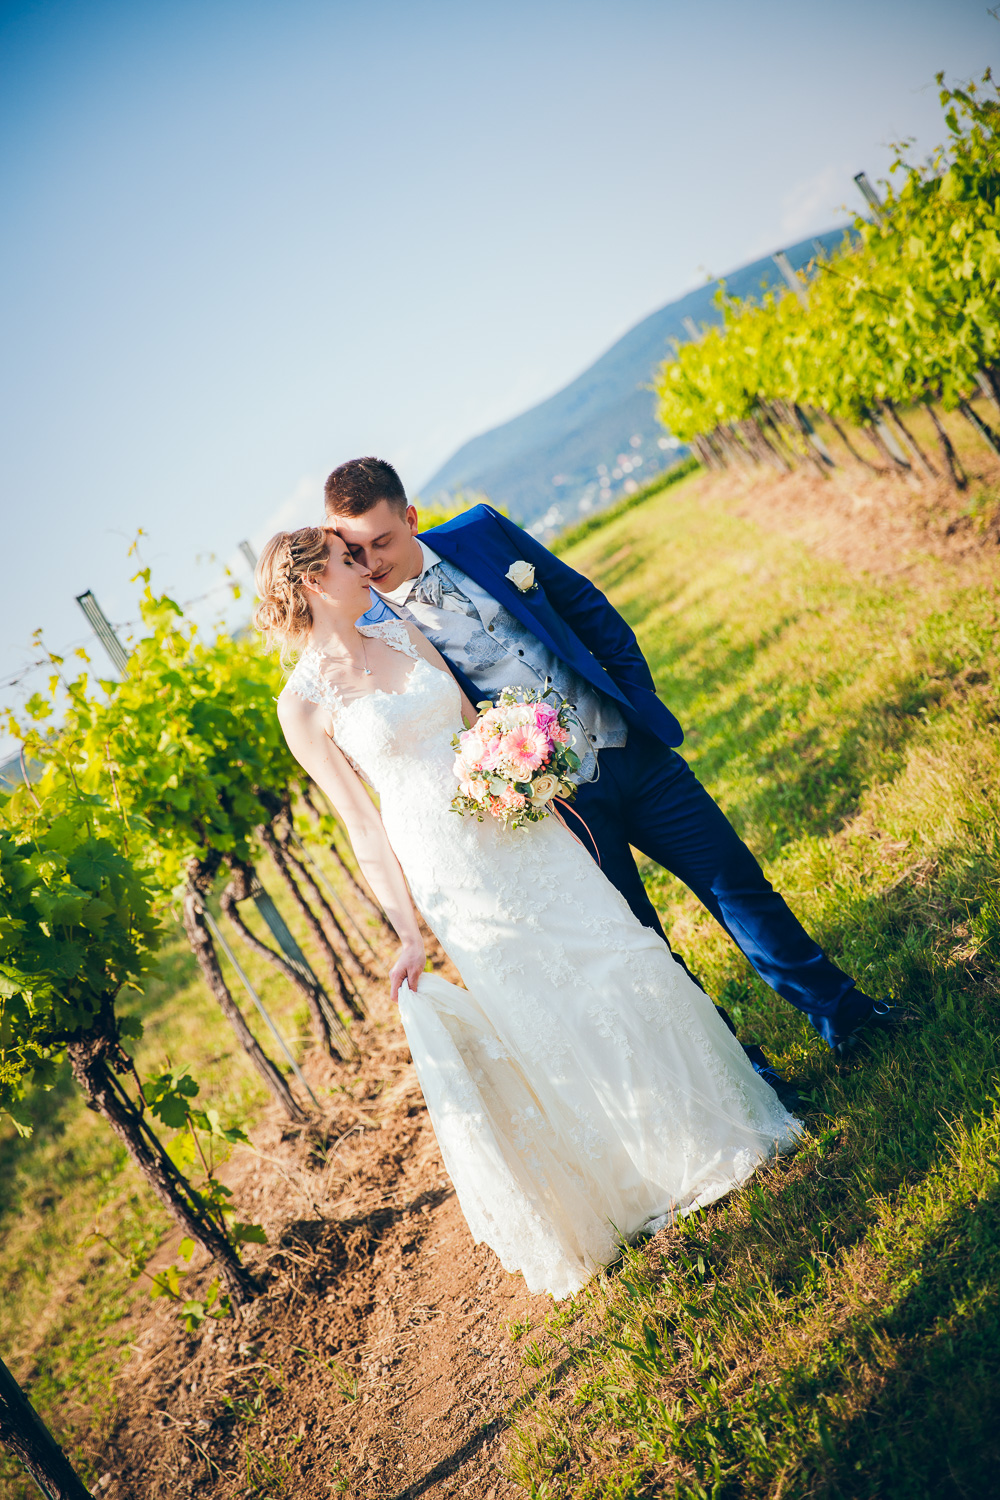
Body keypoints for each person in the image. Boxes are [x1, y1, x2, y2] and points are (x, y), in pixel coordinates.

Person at [257, 525, 800, 1299]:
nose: (365, 566)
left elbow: (476, 726)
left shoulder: (403, 628)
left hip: (519, 823)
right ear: (313, 582)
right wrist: (408, 932)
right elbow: (360, 823)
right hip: (448, 866)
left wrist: (523, 763)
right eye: (348, 561)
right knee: (545, 1004)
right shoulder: (302, 706)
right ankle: (636, 1174)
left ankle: (711, 1127)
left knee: (618, 952)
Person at [323, 456, 907, 1073]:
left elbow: (583, 603)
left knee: (738, 886)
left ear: (411, 518)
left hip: (631, 747)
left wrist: (631, 696)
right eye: (354, 552)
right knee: (646, 946)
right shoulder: (375, 633)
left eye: (382, 541)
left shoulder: (482, 531)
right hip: (558, 803)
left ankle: (845, 1016)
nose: (372, 563)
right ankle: (740, 1074)